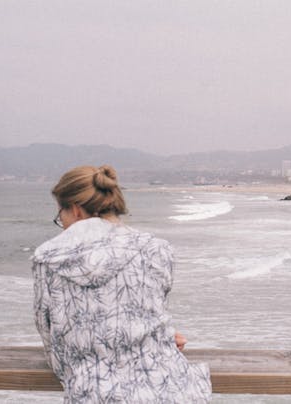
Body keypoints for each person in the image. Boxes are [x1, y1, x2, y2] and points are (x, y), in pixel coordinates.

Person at [32, 165, 211, 403]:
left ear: (75, 210)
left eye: (60, 216)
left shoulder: (48, 258)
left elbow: (53, 344)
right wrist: (160, 339)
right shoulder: (157, 249)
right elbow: (150, 312)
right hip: (172, 391)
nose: (61, 224)